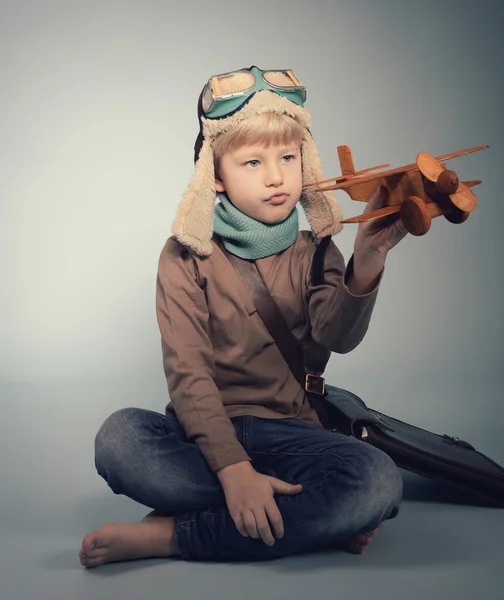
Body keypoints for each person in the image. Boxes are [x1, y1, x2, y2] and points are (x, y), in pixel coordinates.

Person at [79, 66, 407, 568]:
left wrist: (367, 262)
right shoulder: (185, 256)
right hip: (206, 437)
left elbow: (337, 337)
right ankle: (306, 520)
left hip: (293, 434)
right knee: (118, 439)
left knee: (378, 481)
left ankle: (175, 535)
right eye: (252, 161)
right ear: (215, 173)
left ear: (305, 160)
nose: (276, 176)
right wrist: (233, 469)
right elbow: (189, 376)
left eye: (287, 157)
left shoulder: (316, 250)